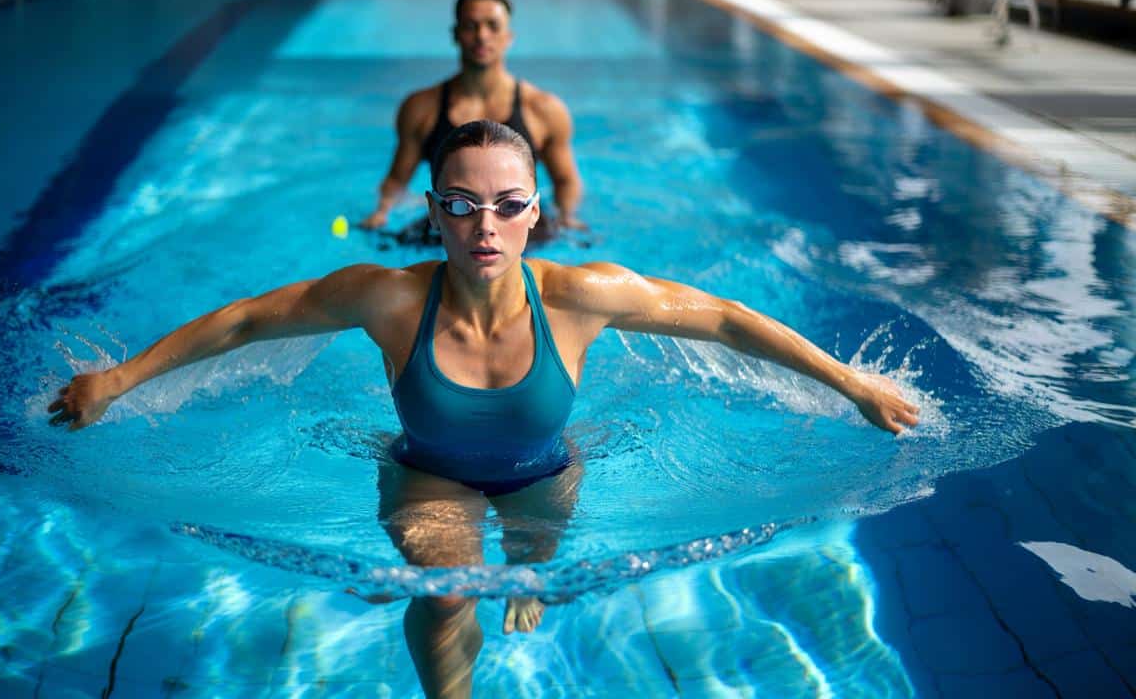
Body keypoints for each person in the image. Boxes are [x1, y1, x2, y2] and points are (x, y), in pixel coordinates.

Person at [49, 120, 919, 699]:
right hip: (426, 475)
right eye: (462, 206)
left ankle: (530, 574)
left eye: (507, 205)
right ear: (434, 214)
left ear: (535, 214)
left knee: (530, 559)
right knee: (446, 589)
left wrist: (853, 384)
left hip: (549, 471)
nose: (486, 227)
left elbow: (727, 320)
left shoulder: (584, 297)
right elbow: (244, 320)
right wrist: (117, 381)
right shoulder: (388, 300)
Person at [358, 0, 586, 242]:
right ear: (455, 34)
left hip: (518, 230)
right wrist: (382, 211)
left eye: (493, 26)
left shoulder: (543, 110)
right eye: (470, 26)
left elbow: (566, 181)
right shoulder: (421, 108)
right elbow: (397, 180)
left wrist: (567, 216)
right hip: (452, 224)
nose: (482, 36)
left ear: (508, 36)